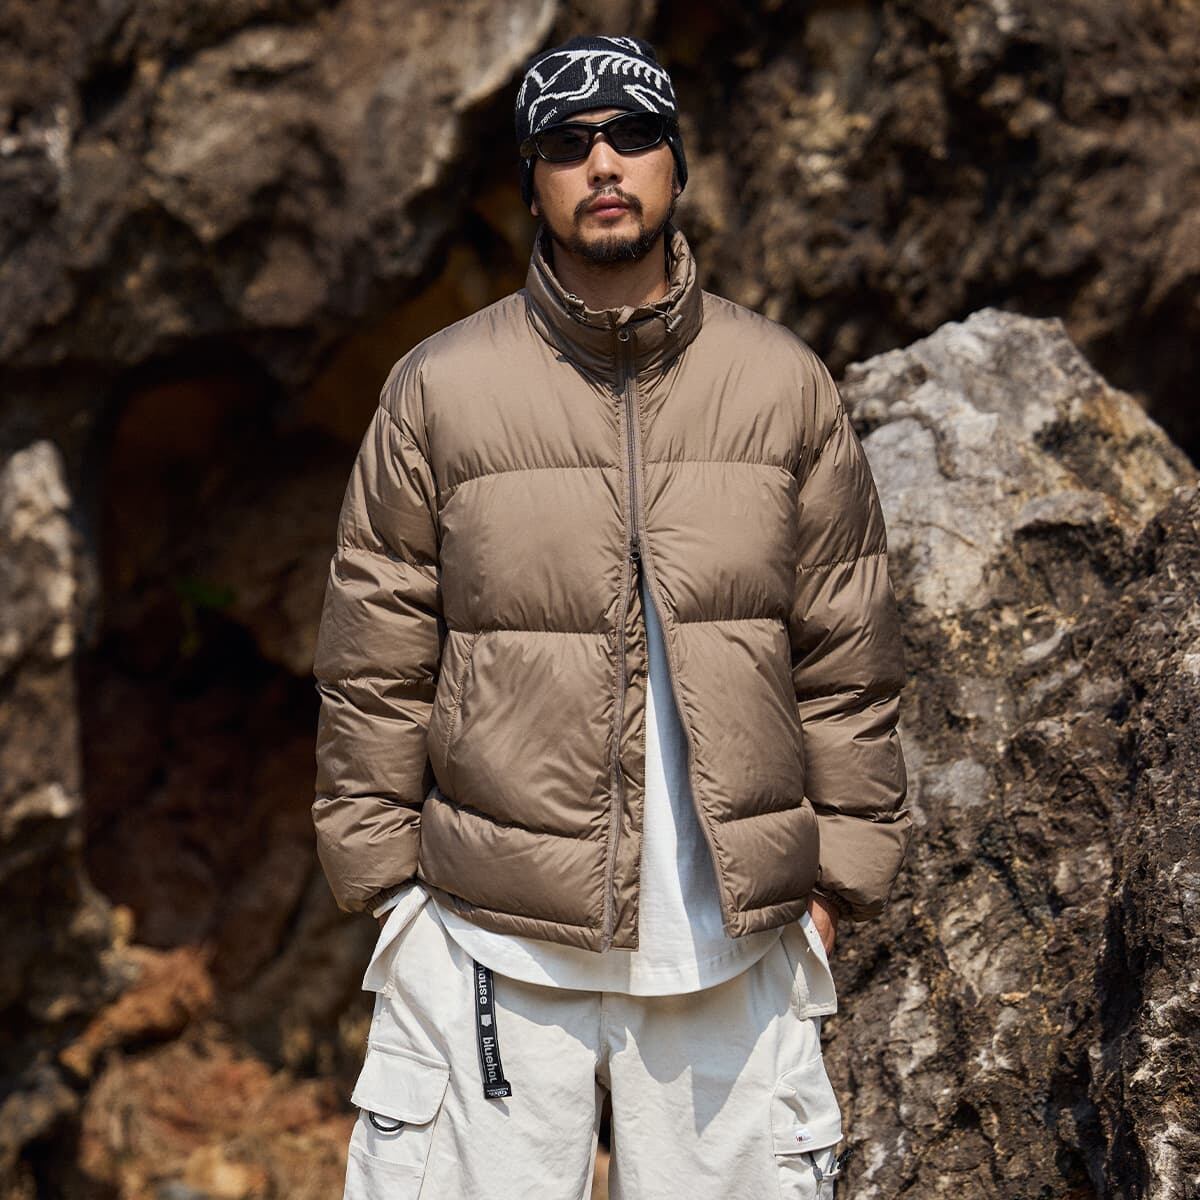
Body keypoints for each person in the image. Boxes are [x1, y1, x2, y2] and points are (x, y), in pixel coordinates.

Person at [312, 33, 910, 1200]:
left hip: (730, 949)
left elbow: (848, 652)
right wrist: (390, 895)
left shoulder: (782, 383)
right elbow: (375, 656)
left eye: (633, 134)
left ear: (675, 164)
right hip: (485, 944)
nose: (603, 162)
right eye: (566, 142)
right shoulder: (439, 389)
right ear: (530, 180)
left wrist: (834, 887)